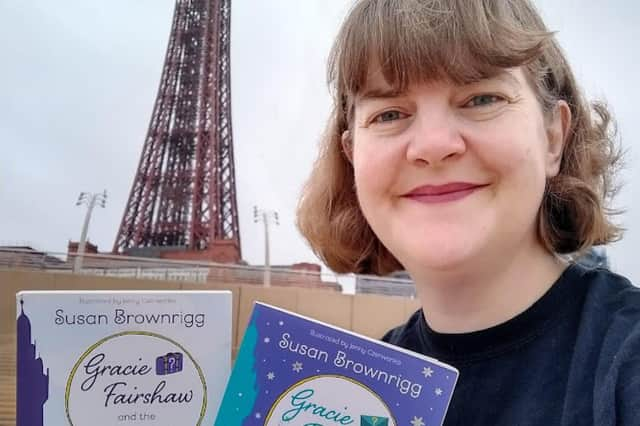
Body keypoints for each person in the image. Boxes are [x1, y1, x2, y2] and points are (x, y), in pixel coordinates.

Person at [296, 0, 639, 424]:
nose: (433, 145)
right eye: (389, 114)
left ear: (553, 136)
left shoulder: (627, 363)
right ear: (353, 160)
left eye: (480, 99)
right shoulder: (354, 393)